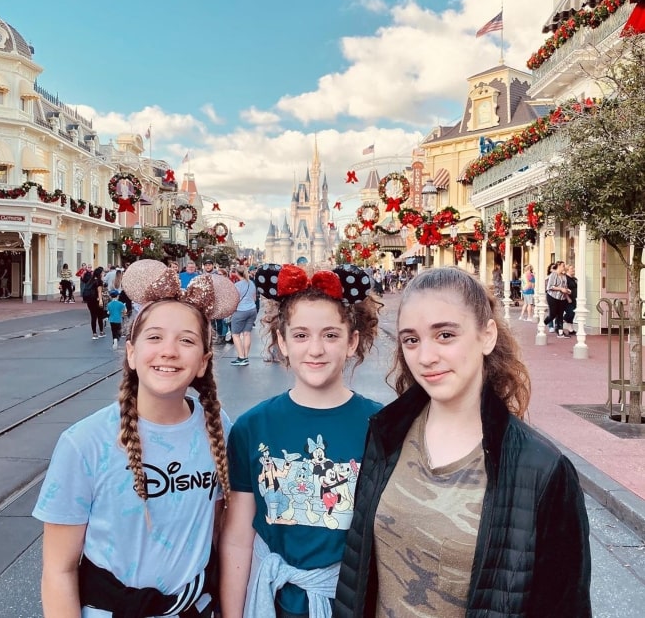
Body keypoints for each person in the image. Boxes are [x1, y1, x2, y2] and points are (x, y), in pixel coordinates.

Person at [334, 267, 591, 617]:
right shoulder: (387, 434)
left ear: (486, 336)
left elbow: (564, 606)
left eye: (445, 335)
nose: (425, 357)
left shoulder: (542, 471)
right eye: (412, 340)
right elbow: (357, 574)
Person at [33, 258, 240, 618]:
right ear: (131, 353)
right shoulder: (85, 443)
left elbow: (218, 530)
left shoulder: (217, 426)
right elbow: (58, 569)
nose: (169, 351)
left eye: (186, 340)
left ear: (204, 361)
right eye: (154, 337)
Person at [220, 263, 382, 618]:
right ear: (282, 341)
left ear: (351, 341)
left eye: (330, 335)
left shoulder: (381, 426)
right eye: (301, 335)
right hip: (273, 603)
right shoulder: (252, 427)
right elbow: (237, 537)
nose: (316, 349)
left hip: (351, 602)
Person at [229, 265, 258, 366]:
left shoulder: (237, 285)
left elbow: (233, 300)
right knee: (247, 334)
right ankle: (245, 356)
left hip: (241, 310)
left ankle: (241, 357)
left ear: (237, 273)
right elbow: (254, 298)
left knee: (235, 335)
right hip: (252, 309)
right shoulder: (252, 283)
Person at [544, 260, 571, 339]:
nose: (564, 267)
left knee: (560, 315)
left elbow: (564, 286)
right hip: (552, 297)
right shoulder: (553, 274)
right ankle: (541, 325)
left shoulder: (564, 276)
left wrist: (567, 292)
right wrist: (560, 289)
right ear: (558, 266)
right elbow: (550, 287)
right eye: (563, 266)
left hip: (561, 298)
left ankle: (560, 333)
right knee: (552, 314)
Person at [83, 266, 106, 340]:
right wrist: (101, 300)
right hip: (97, 300)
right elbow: (99, 292)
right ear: (100, 274)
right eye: (102, 273)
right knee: (100, 316)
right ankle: (101, 332)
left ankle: (94, 333)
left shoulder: (91, 280)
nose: (103, 274)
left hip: (90, 301)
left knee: (93, 317)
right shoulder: (99, 281)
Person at [563, 263, 578, 337]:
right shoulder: (565, 278)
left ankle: (570, 330)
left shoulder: (574, 279)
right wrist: (568, 298)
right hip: (567, 299)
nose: (573, 270)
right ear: (567, 270)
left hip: (574, 298)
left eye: (573, 269)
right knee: (570, 312)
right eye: (572, 269)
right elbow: (564, 289)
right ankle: (561, 320)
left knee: (573, 314)